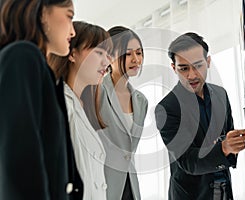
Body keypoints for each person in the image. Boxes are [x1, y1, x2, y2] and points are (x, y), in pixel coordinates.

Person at [0, 0, 83, 199]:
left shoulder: (37, 67)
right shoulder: (22, 57)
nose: (72, 32)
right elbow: (20, 162)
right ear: (42, 12)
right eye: (69, 16)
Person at [155, 32, 245, 200]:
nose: (191, 75)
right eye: (183, 68)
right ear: (173, 68)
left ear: (208, 62)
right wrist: (223, 147)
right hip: (191, 194)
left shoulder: (221, 94)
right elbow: (187, 160)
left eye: (198, 65)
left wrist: (232, 143)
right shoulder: (166, 108)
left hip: (224, 189)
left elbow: (227, 137)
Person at [48, 21, 112, 200]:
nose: (107, 62)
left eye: (108, 55)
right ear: (72, 53)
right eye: (99, 52)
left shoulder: (81, 105)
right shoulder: (60, 104)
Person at [83, 26, 148, 200]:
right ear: (110, 56)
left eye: (139, 53)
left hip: (131, 185)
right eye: (128, 54)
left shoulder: (142, 101)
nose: (136, 59)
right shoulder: (95, 92)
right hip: (102, 184)